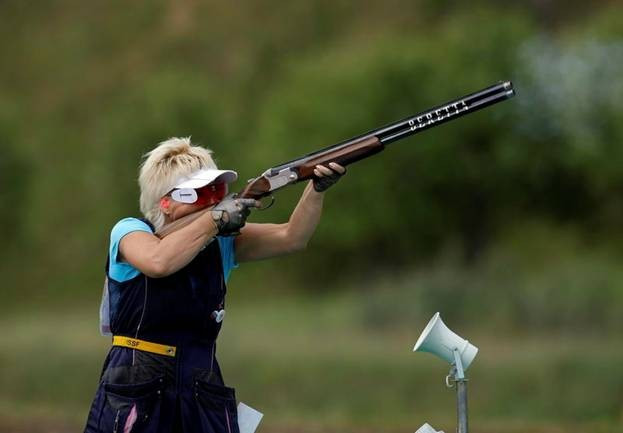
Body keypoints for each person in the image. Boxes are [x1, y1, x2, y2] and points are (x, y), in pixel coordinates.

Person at [84, 137, 345, 433]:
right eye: (201, 194)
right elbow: (159, 262)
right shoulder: (130, 231)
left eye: (217, 191)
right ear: (167, 203)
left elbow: (292, 236)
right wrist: (216, 219)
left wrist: (315, 189)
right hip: (138, 382)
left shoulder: (220, 242)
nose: (214, 200)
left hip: (200, 383)